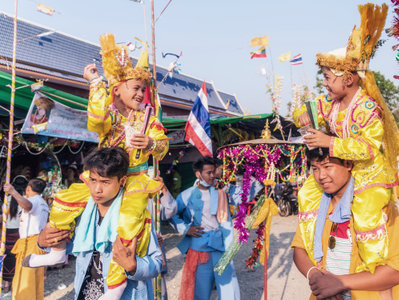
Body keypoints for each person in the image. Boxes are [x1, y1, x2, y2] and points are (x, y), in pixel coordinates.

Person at [26, 33, 169, 300]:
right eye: (134, 88)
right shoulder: (108, 115)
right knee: (63, 199)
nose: (140, 93)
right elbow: (95, 118)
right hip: (105, 174)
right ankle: (54, 253)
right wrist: (96, 83)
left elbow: (163, 146)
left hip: (135, 180)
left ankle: (114, 290)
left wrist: (150, 142)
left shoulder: (149, 119)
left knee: (127, 223)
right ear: (118, 89)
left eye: (142, 89)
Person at [293, 3, 399, 273]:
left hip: (369, 171)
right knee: (307, 193)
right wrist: (302, 117)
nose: (326, 84)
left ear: (350, 79)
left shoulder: (367, 108)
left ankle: (374, 269)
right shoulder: (331, 102)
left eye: (329, 78)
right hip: (342, 168)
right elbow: (304, 109)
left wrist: (328, 142)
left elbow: (368, 148)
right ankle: (316, 254)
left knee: (366, 211)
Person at [37, 147, 162, 300]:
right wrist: (45, 241)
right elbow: (72, 247)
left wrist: (134, 266)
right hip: (85, 293)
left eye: (105, 182)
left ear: (121, 181)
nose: (97, 189)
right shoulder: (81, 212)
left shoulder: (135, 217)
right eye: (93, 180)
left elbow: (157, 262)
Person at [292, 148, 399, 299]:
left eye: (327, 167)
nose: (321, 176)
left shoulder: (377, 209)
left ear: (348, 164)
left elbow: (398, 272)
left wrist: (338, 283)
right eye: (315, 168)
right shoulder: (314, 205)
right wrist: (315, 276)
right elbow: (299, 249)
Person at [170, 156, 240, 300]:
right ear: (198, 174)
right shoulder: (187, 194)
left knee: (228, 287)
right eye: (208, 172)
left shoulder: (222, 190)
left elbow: (244, 196)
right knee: (200, 289)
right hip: (199, 247)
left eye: (214, 172)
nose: (212, 175)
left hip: (221, 245)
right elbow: (171, 213)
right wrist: (185, 229)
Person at [3, 178, 49, 300]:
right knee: (33, 278)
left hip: (31, 244)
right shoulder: (43, 202)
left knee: (26, 279)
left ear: (28, 189)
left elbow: (28, 206)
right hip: (35, 243)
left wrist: (13, 192)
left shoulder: (33, 200)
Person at [1, 175, 28, 293]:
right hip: (19, 232)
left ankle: (6, 283)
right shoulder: (25, 200)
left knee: (7, 257)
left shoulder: (7, 200)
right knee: (17, 258)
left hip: (7, 232)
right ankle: (14, 283)